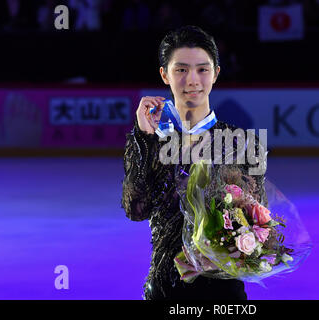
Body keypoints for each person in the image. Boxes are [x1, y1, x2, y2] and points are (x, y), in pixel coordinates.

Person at [121, 25, 267, 300]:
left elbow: (258, 224)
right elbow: (136, 209)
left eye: (202, 69)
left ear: (216, 74)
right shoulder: (149, 140)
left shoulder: (243, 143)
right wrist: (143, 138)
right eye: (181, 69)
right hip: (165, 288)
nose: (192, 80)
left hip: (225, 292)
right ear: (164, 74)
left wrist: (223, 253)